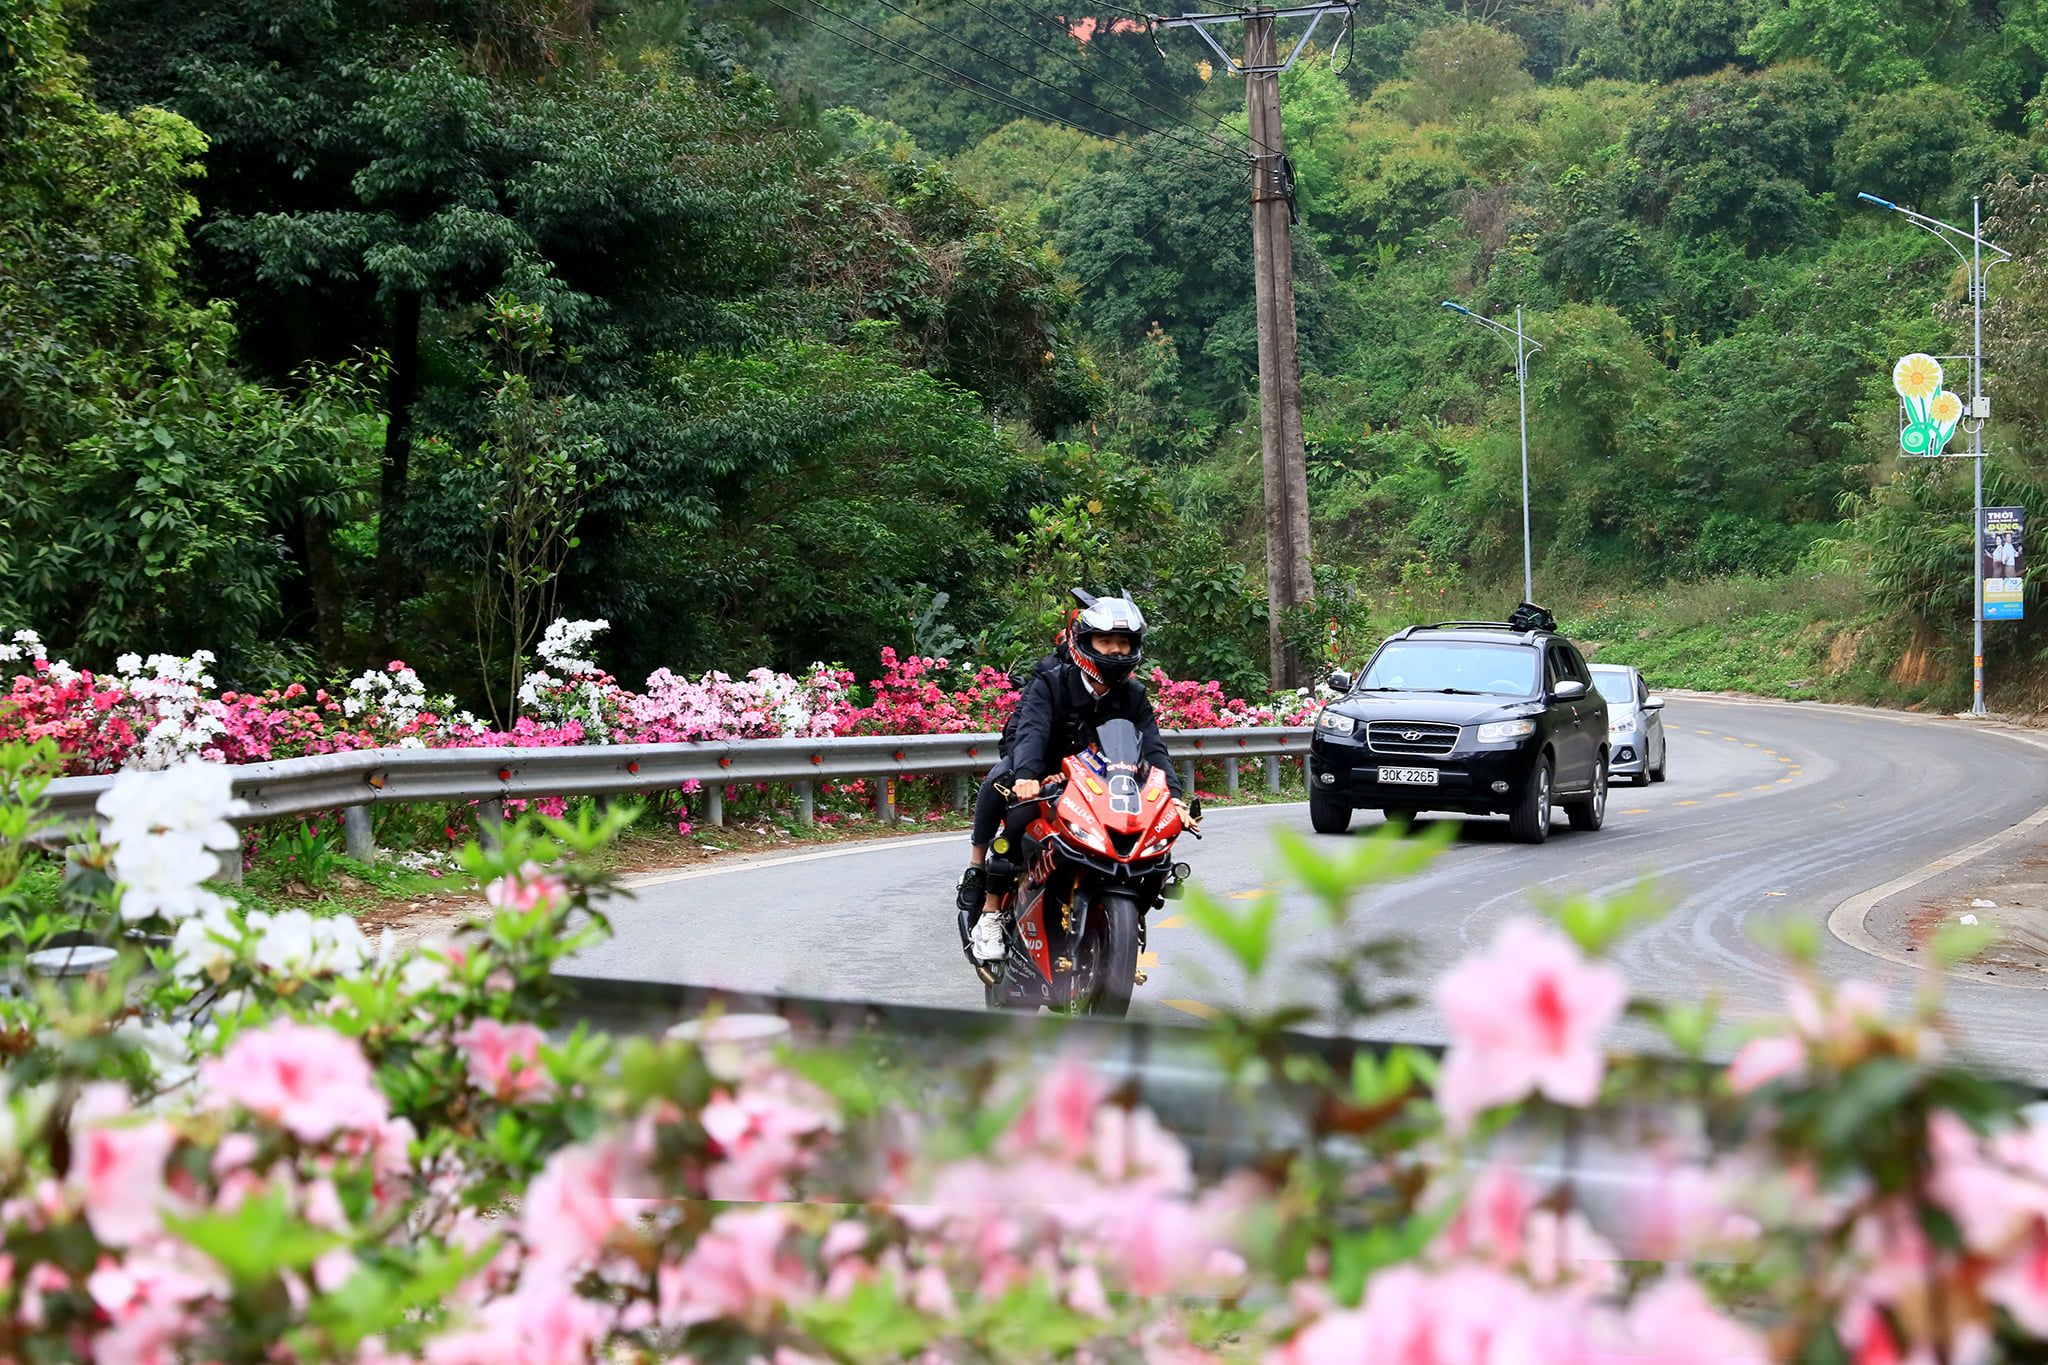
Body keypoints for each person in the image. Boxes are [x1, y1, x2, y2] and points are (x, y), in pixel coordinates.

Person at [956, 590, 1198, 964]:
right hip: (1040, 770)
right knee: (1008, 800)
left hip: (1099, 779)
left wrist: (1176, 799)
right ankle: (987, 905)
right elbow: (1031, 732)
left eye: (1124, 642)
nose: (1116, 650)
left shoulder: (1133, 694)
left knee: (1153, 838)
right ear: (1084, 643)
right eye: (1106, 641)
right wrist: (1027, 776)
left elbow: (1153, 750)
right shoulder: (1051, 682)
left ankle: (1124, 917)